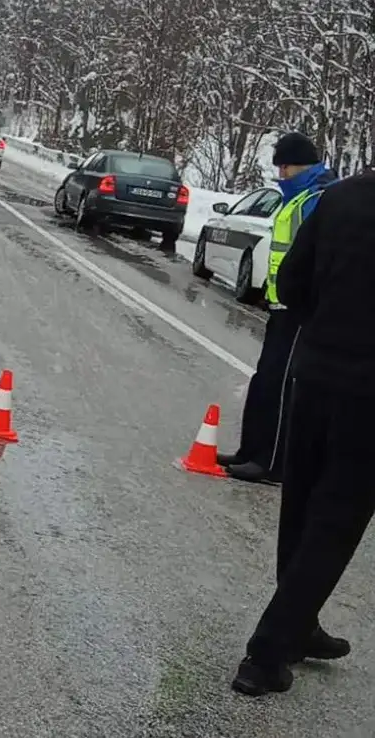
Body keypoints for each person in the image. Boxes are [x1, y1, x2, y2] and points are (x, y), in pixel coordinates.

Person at [231, 166, 375, 696]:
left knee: (302, 504)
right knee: (335, 523)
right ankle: (267, 653)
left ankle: (300, 625)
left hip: (313, 374)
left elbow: (291, 281)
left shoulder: (338, 199)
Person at [219, 132, 336, 484]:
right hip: (280, 306)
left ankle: (273, 463)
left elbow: (323, 257)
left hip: (301, 311)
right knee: (264, 380)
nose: (280, 174)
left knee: (283, 385)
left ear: (301, 165)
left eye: (285, 167)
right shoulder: (297, 198)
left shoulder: (319, 199)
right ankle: (251, 450)